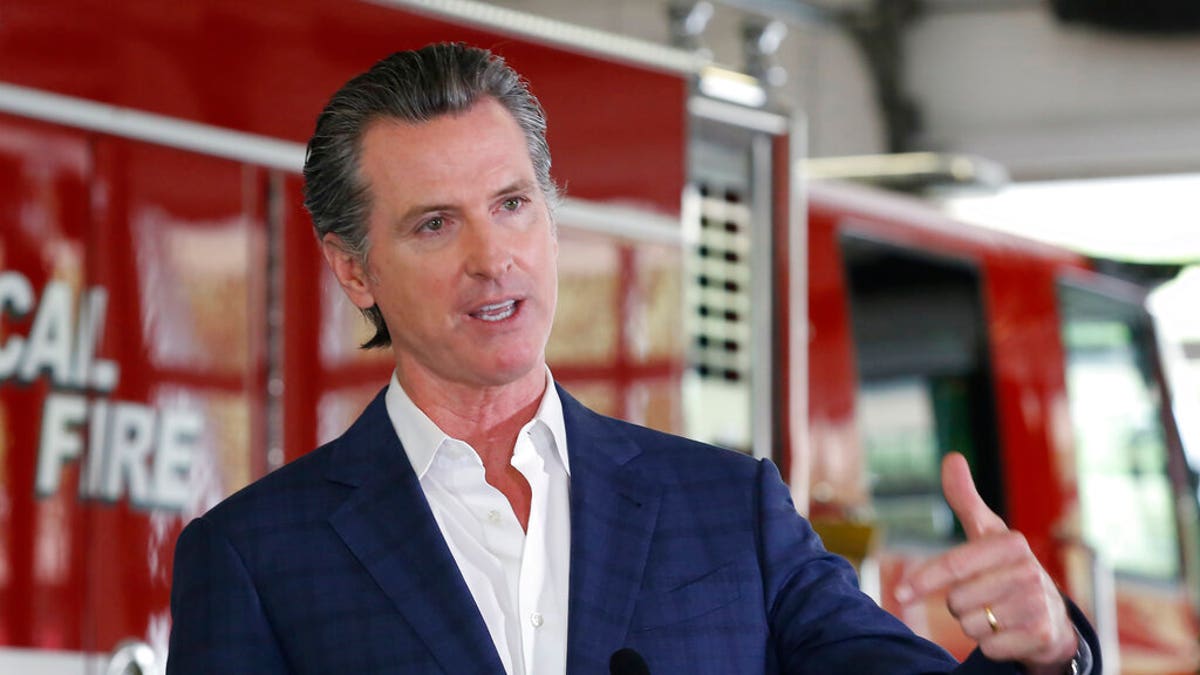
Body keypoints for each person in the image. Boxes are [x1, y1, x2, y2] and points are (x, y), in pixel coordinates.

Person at [167, 42, 1099, 674]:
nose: (493, 259)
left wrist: (1049, 645)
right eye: (435, 223)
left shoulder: (728, 508)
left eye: (513, 203)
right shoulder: (253, 556)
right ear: (353, 267)